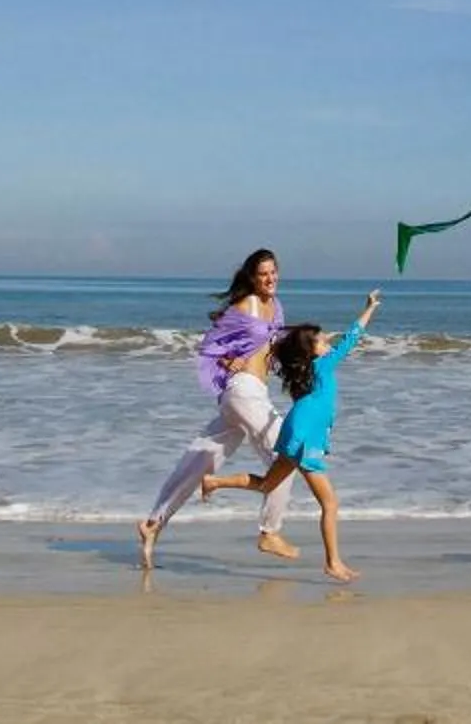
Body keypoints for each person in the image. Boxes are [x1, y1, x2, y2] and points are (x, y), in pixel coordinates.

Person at [201, 288, 380, 582]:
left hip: (293, 428)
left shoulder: (305, 369)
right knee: (330, 504)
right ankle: (333, 562)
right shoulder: (323, 365)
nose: (327, 342)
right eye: (322, 340)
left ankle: (214, 481)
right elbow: (352, 337)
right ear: (312, 351)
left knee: (268, 484)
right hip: (306, 435)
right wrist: (370, 308)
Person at [137, 248, 299, 571]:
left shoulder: (276, 307)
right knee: (289, 455)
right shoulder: (246, 305)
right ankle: (270, 532)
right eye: (263, 273)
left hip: (254, 396)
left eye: (273, 272)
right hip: (242, 391)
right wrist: (229, 361)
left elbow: (273, 349)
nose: (270, 278)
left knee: (200, 459)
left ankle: (153, 523)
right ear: (253, 278)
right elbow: (210, 345)